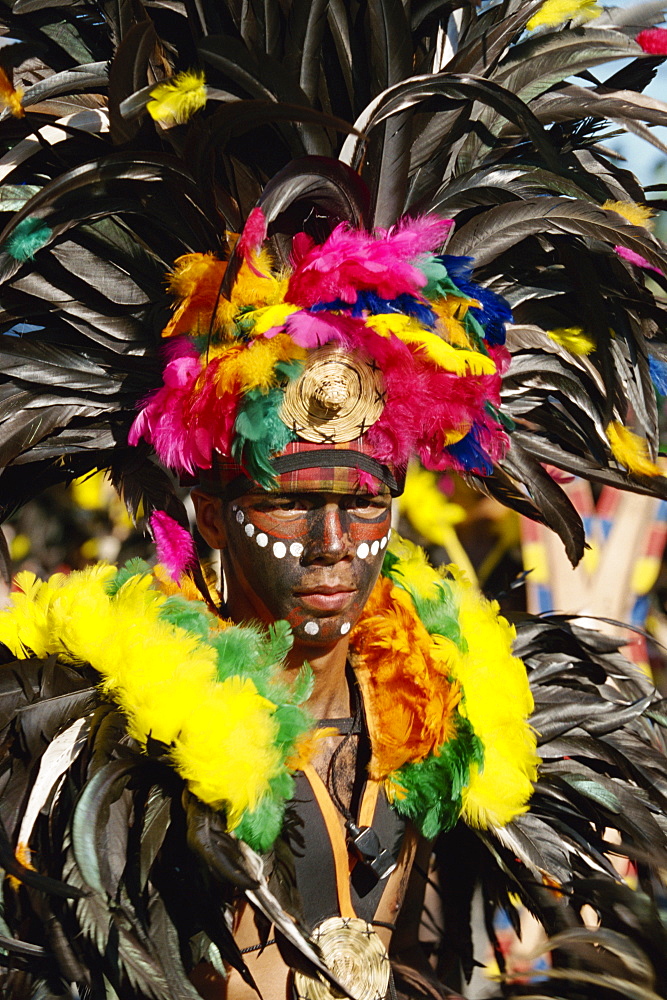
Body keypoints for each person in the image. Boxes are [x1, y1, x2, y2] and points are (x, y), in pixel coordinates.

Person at [3, 2, 667, 999]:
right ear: (214, 511)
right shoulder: (115, 745)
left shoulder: (445, 715)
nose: (330, 543)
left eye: (362, 506)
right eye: (285, 502)